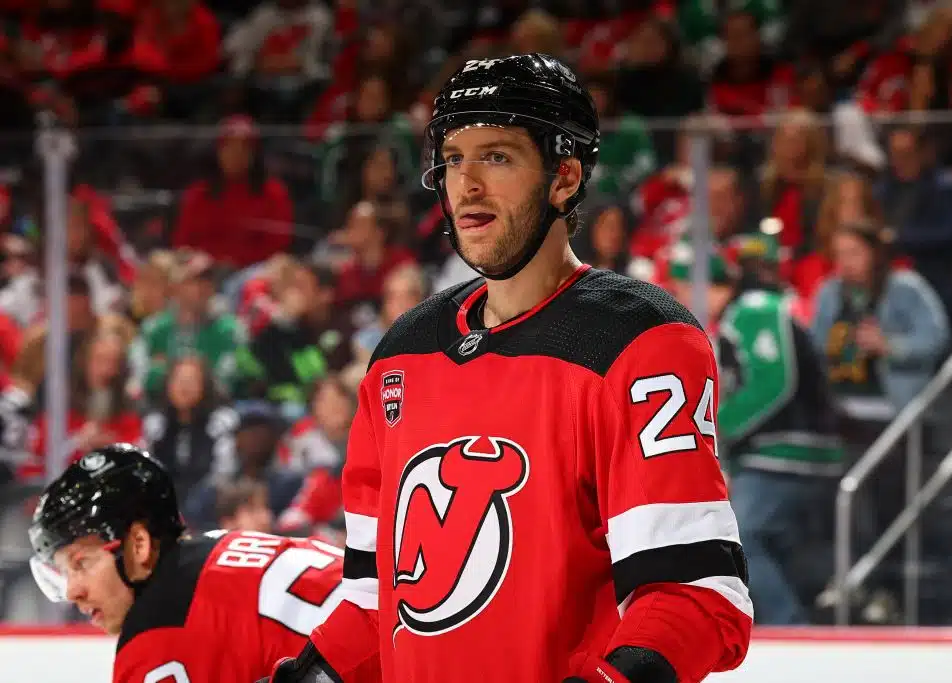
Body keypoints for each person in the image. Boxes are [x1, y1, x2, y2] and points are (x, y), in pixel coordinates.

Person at [262, 53, 752, 683]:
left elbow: (694, 595)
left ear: (564, 176)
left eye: (496, 156)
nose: (466, 184)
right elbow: (373, 601)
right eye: (453, 159)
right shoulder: (402, 354)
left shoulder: (639, 341)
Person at [28, 443, 345, 683]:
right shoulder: (217, 547)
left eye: (81, 564)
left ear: (139, 545)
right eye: (64, 572)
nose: (72, 591)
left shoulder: (157, 634)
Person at [715, 227, 843, 625]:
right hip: (801, 452)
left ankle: (790, 630)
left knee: (734, 538)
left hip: (783, 453)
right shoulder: (773, 307)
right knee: (783, 552)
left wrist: (716, 430)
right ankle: (799, 627)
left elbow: (772, 382)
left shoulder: (754, 308)